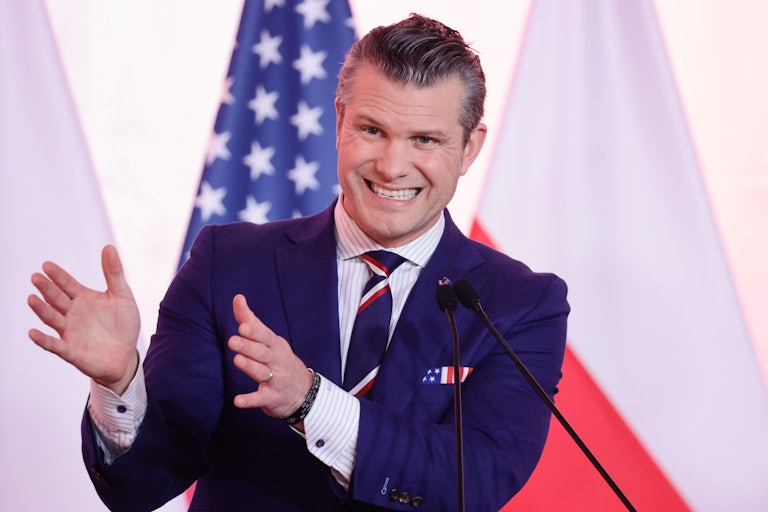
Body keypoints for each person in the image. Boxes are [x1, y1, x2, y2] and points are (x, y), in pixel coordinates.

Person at [28, 14, 569, 512]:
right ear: (339, 121)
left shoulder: (521, 304)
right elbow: (140, 487)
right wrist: (120, 383)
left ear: (469, 148)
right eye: (372, 130)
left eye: (424, 139)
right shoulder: (227, 263)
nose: (391, 165)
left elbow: (477, 481)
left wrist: (311, 402)